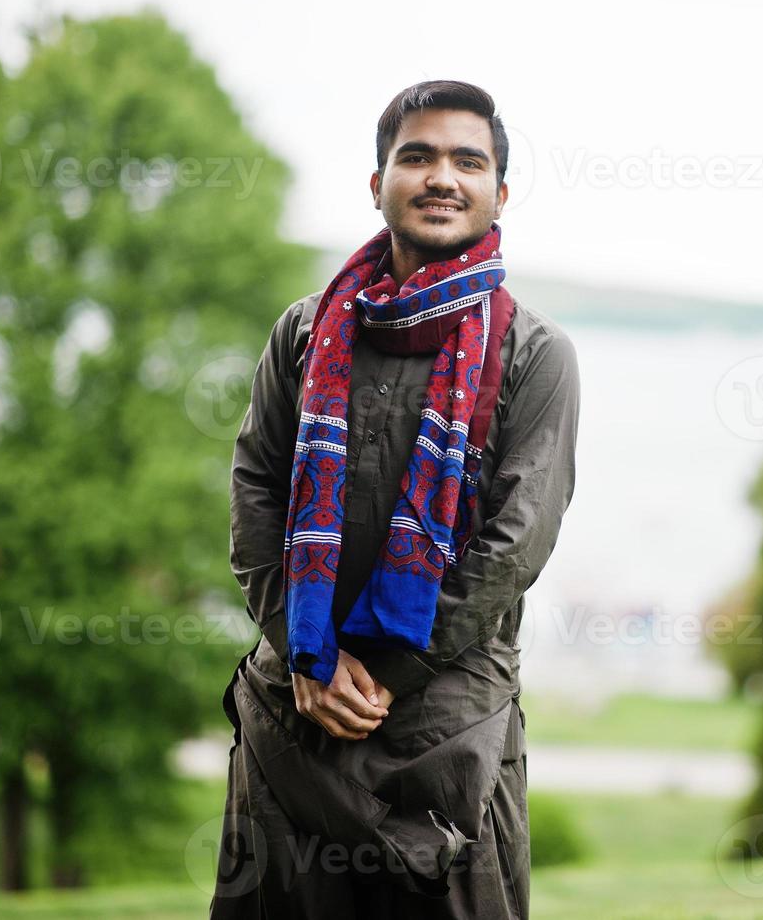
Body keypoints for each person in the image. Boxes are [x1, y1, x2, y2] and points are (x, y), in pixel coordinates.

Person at [210, 80, 581, 919]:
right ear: (377, 182)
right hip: (293, 716)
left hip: (444, 734)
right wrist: (304, 655)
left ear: (500, 193)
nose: (440, 176)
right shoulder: (305, 330)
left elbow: (514, 542)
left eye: (466, 160)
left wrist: (371, 673)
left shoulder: (535, 353)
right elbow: (255, 491)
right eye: (416, 156)